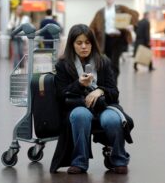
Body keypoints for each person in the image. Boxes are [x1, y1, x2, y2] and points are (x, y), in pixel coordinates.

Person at [50, 24, 133, 175]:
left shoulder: (103, 62)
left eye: (87, 43)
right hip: (79, 106)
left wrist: (100, 90)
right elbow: (61, 95)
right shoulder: (63, 65)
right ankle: (79, 161)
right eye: (79, 43)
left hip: (104, 106)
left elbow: (114, 92)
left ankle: (119, 159)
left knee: (113, 120)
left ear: (93, 44)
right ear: (72, 44)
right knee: (80, 115)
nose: (84, 47)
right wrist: (79, 84)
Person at [90, 0, 138, 84]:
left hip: (118, 39)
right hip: (105, 39)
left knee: (114, 62)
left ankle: (113, 83)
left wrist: (132, 25)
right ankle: (106, 81)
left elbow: (135, 14)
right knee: (105, 61)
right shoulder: (100, 12)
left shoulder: (121, 8)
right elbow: (92, 26)